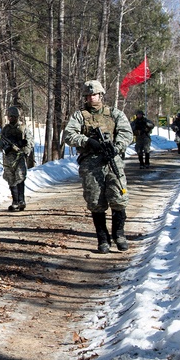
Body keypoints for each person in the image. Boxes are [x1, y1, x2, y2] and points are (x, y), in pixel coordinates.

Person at [63, 80, 134, 254]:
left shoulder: (114, 114)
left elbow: (126, 133)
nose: (91, 98)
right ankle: (103, 239)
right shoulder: (79, 116)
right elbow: (69, 135)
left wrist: (116, 147)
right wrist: (87, 141)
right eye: (88, 95)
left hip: (112, 160)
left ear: (100, 95)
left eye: (93, 94)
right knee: (96, 202)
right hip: (90, 162)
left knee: (119, 198)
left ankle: (119, 235)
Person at [0, 105, 34, 211]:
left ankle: (21, 200)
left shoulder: (23, 128)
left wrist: (24, 148)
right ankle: (15, 201)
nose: (12, 118)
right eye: (10, 116)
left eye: (14, 116)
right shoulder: (5, 130)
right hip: (8, 158)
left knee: (20, 176)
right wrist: (4, 146)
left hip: (19, 156)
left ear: (17, 117)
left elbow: (30, 141)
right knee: (10, 178)